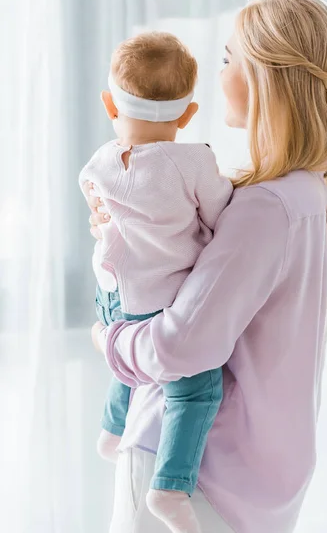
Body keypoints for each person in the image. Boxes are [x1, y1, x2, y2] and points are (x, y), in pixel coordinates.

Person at [86, 0, 327, 533]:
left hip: (190, 470)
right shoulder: (308, 193)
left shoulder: (263, 207)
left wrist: (106, 338)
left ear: (266, 77)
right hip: (257, 480)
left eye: (229, 59)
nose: (219, 75)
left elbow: (180, 345)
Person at [80, 32, 233, 533]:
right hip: (156, 298)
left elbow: (91, 191)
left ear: (109, 104)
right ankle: (170, 485)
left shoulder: (102, 160)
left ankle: (112, 428)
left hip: (110, 293)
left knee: (128, 364)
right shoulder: (192, 162)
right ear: (187, 115)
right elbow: (222, 211)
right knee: (195, 390)